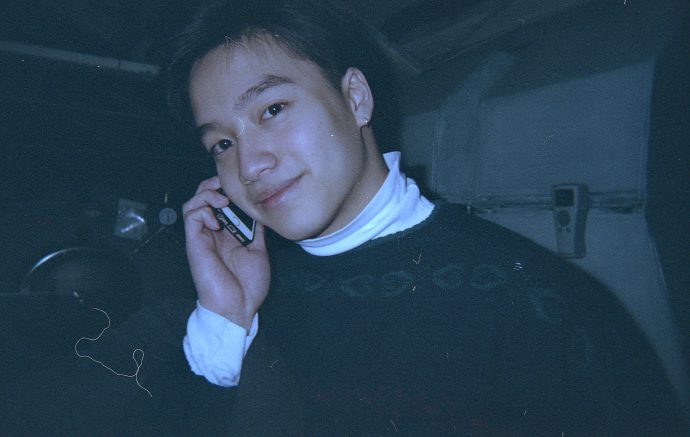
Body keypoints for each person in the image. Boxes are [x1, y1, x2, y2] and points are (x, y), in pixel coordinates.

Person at [159, 0, 688, 434]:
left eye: (272, 110)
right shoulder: (250, 299)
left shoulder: (536, 301)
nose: (248, 165)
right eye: (222, 143)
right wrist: (225, 316)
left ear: (356, 98)